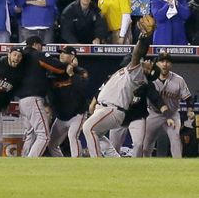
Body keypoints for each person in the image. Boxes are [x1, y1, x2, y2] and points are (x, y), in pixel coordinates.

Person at [82, 17, 156, 157]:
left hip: (113, 109)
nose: (148, 62)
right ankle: (115, 159)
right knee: (97, 134)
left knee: (88, 128)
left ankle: (95, 162)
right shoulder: (130, 70)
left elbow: (137, 54)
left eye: (150, 65)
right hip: (104, 107)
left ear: (149, 72)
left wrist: (144, 38)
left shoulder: (138, 75)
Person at [15, 36, 73, 157]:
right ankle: (30, 162)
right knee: (44, 136)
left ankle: (23, 160)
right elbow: (57, 67)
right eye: (41, 45)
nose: (41, 48)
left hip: (22, 101)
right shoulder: (36, 55)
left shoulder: (21, 56)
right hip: (33, 99)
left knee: (31, 134)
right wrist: (69, 65)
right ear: (35, 44)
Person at [142, 52, 194, 158]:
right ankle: (144, 166)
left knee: (175, 139)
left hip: (172, 114)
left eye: (167, 61)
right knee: (146, 144)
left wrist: (190, 110)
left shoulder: (178, 80)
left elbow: (188, 98)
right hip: (153, 114)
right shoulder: (150, 79)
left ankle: (178, 167)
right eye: (162, 61)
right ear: (157, 64)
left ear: (171, 65)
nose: (165, 64)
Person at [47, 46, 90, 157]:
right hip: (61, 115)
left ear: (72, 56)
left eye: (64, 53)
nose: (61, 55)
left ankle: (77, 165)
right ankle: (62, 164)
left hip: (77, 114)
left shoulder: (80, 71)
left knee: (72, 137)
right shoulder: (55, 72)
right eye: (60, 53)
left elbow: (83, 88)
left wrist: (71, 74)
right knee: (51, 144)